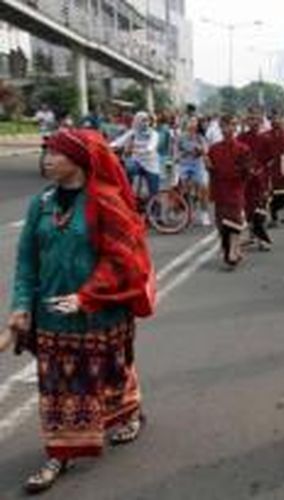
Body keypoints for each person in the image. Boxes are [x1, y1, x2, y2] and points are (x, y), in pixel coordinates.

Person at [5, 129, 154, 493]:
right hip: (52, 318)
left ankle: (130, 413)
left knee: (112, 373)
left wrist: (86, 296)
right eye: (47, 153)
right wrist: (21, 306)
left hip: (101, 314)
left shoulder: (106, 201)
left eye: (55, 153)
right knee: (58, 387)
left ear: (77, 161)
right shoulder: (40, 204)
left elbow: (123, 260)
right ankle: (59, 453)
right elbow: (25, 261)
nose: (47, 160)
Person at [207, 115, 252, 267]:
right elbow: (211, 170)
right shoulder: (213, 149)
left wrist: (238, 176)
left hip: (235, 188)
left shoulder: (243, 149)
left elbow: (246, 171)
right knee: (221, 224)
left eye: (232, 125)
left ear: (236, 127)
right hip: (219, 189)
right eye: (226, 125)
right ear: (220, 127)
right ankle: (232, 249)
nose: (229, 129)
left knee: (234, 220)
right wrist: (208, 165)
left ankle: (233, 250)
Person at [237, 108, 272, 250]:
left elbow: (270, 160)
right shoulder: (241, 138)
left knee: (261, 209)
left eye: (256, 119)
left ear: (260, 121)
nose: (253, 122)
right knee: (248, 209)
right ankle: (252, 235)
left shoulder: (266, 139)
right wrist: (245, 169)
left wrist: (263, 172)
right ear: (246, 121)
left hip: (261, 178)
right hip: (246, 179)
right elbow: (237, 159)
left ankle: (262, 240)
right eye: (250, 118)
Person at [110, 111, 161, 199]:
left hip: (151, 164)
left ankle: (155, 208)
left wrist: (145, 150)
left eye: (146, 120)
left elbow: (151, 147)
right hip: (137, 162)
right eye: (142, 120)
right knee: (125, 170)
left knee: (154, 193)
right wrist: (108, 146)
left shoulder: (154, 134)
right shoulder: (133, 132)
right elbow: (120, 141)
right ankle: (127, 193)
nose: (145, 123)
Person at [175, 116, 211, 226]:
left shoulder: (200, 137)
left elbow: (205, 151)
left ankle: (204, 214)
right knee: (184, 190)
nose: (192, 124)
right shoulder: (180, 137)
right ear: (186, 124)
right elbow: (176, 152)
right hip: (184, 165)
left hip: (197, 165)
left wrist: (200, 151)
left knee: (204, 187)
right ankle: (187, 214)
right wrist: (181, 155)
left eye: (194, 122)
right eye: (190, 122)